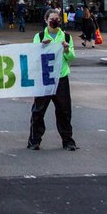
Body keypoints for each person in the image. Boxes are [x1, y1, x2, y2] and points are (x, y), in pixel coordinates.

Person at [27, 10, 77, 150]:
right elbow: (34, 55)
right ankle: (34, 141)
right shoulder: (40, 36)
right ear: (46, 20)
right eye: (52, 18)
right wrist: (41, 46)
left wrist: (66, 50)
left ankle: (68, 141)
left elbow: (72, 58)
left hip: (61, 78)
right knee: (38, 111)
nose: (55, 21)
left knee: (64, 111)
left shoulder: (66, 37)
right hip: (45, 78)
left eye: (57, 18)